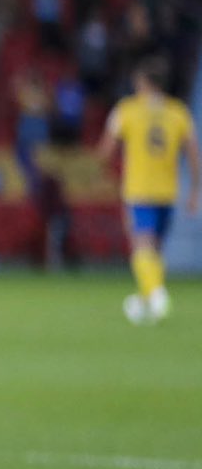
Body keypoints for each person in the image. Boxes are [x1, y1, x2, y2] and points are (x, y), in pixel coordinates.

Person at [97, 58, 199, 324]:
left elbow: (105, 151)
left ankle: (156, 294)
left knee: (141, 247)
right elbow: (193, 154)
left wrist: (108, 171)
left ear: (142, 82)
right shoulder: (179, 112)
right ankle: (146, 303)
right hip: (168, 191)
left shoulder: (127, 110)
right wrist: (196, 189)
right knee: (154, 251)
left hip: (139, 189)